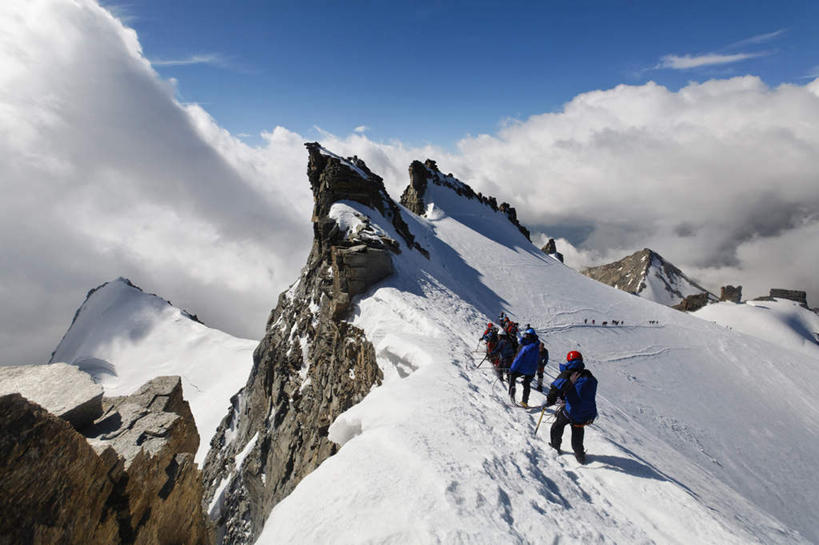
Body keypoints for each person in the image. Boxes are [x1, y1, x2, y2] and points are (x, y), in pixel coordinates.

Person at [545, 350, 598, 464]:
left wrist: (550, 400)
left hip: (571, 410)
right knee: (577, 429)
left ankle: (555, 446)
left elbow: (555, 388)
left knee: (557, 426)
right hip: (587, 412)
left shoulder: (568, 373)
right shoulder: (589, 376)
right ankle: (580, 455)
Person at [508, 328, 539, 407]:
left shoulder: (526, 348)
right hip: (532, 370)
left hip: (522, 369)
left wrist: (512, 369)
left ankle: (511, 395)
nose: (526, 337)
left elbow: (518, 359)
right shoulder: (536, 346)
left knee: (512, 376)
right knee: (526, 383)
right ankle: (525, 402)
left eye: (527, 336)